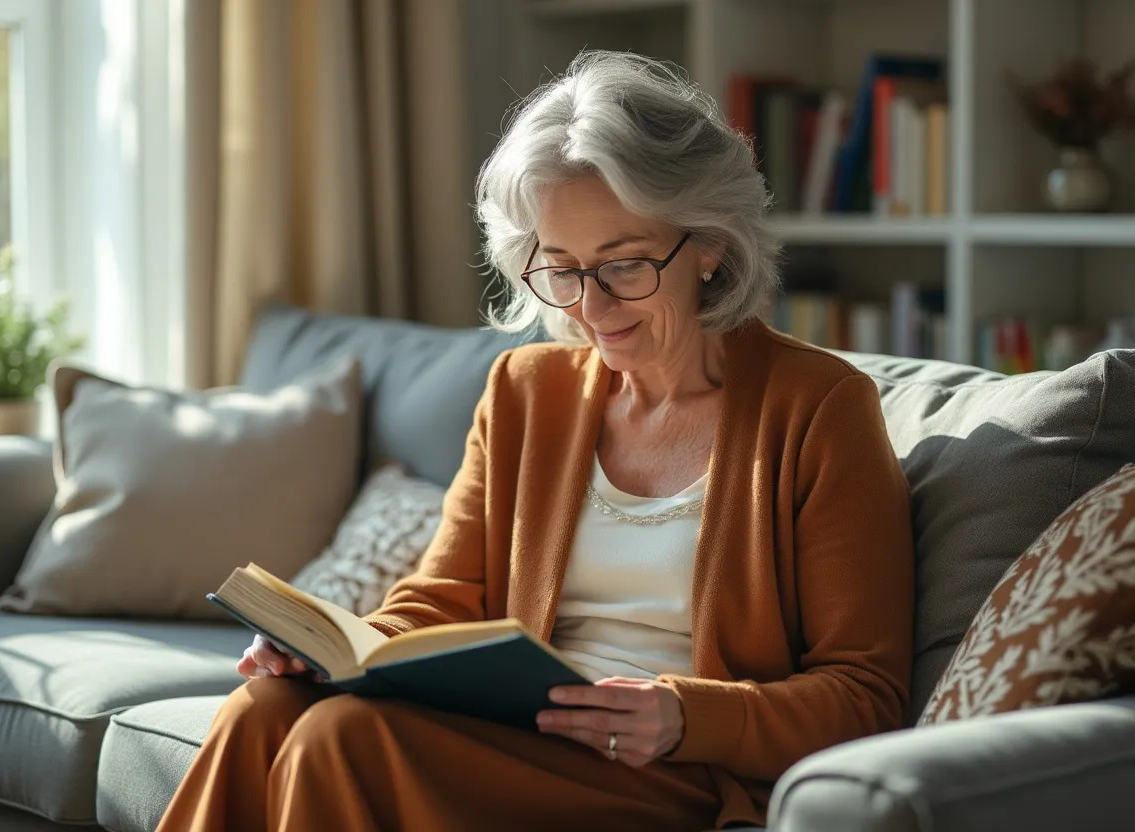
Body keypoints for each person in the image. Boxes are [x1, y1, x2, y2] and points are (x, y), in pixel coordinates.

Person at [157, 50, 914, 832]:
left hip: (671, 769)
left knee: (343, 739)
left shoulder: (821, 409)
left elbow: (864, 695)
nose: (591, 306)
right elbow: (439, 598)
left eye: (623, 266)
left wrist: (685, 716)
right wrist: (342, 648)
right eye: (560, 269)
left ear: (711, 244)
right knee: (263, 707)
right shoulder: (526, 391)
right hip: (511, 732)